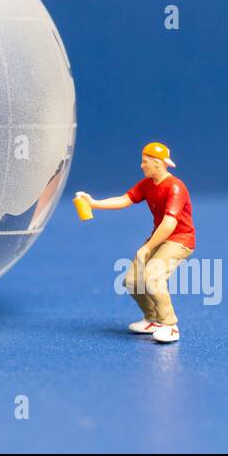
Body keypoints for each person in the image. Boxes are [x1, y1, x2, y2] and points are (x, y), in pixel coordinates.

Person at [76, 141, 195, 343]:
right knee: (132, 281)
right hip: (160, 238)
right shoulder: (147, 185)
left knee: (152, 277)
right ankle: (153, 319)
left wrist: (147, 247)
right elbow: (124, 200)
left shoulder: (176, 187)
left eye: (145, 162)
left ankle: (170, 325)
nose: (142, 165)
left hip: (179, 240)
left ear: (158, 163)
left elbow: (169, 224)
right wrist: (94, 203)